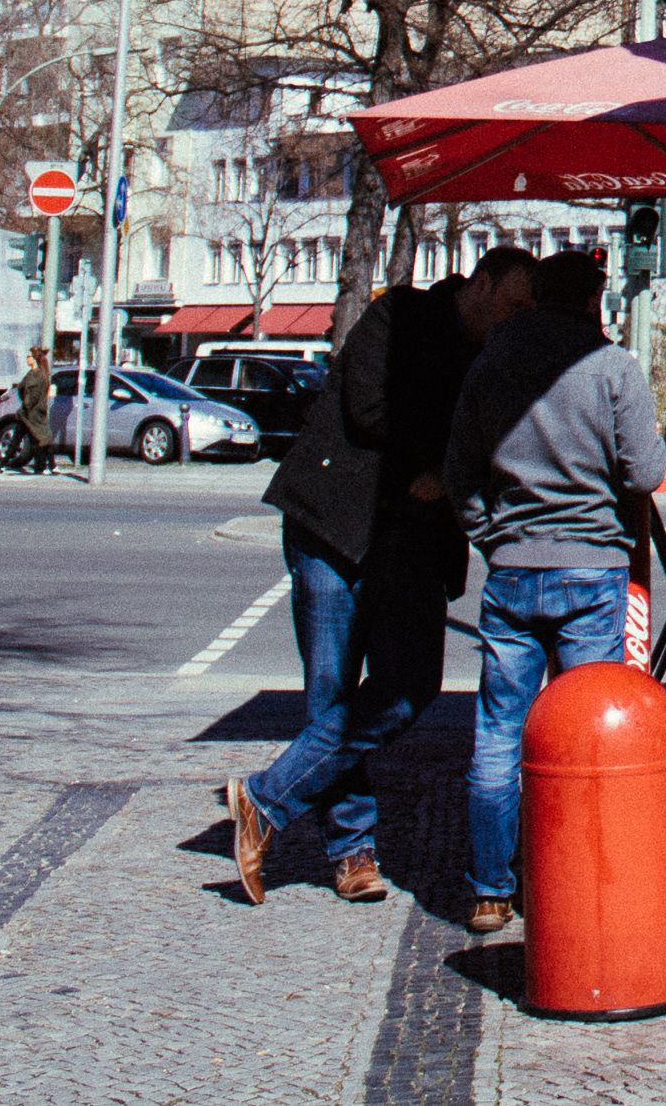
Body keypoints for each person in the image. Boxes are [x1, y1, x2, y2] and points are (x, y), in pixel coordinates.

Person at [223, 246, 534, 907]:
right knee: (332, 693)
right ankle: (350, 849)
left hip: (411, 543)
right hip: (334, 522)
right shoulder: (399, 312)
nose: (515, 316)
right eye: (511, 302)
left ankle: (265, 796)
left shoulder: (497, 355)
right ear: (479, 283)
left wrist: (452, 470)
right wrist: (444, 458)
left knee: (408, 684)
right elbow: (368, 405)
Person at [445, 248, 665, 936]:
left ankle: (490, 889)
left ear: (535, 296)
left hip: (512, 569)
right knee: (582, 735)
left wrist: (495, 536)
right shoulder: (611, 369)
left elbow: (460, 476)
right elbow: (648, 472)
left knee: (498, 732)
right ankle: (571, 875)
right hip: (591, 568)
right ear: (597, 297)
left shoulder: (490, 365)